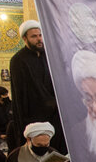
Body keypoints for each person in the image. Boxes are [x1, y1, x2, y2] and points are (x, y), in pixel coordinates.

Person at [9, 21, 63, 151]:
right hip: (33, 115)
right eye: (34, 36)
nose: (39, 39)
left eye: (40, 35)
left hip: (54, 113)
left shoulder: (48, 56)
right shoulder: (18, 60)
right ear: (25, 38)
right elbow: (21, 95)